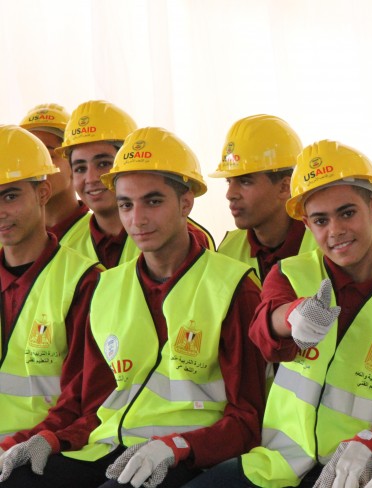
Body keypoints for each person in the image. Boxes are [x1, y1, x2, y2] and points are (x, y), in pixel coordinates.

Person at [0, 127, 266, 488]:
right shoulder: (108, 287)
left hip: (190, 453)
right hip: (107, 446)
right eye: (126, 204)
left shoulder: (233, 287)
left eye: (153, 201)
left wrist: (179, 446)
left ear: (186, 202)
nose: (137, 219)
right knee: (16, 480)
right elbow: (89, 405)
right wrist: (51, 439)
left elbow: (248, 418)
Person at [187, 139, 372, 488]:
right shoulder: (290, 274)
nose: (335, 231)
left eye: (347, 213)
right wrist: (294, 317)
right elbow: (266, 330)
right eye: (321, 220)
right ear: (307, 226)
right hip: (274, 466)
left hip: (361, 468)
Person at [0, 125, 101, 455]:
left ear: (43, 193)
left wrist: (15, 444)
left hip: (41, 451)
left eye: (10, 195)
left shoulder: (84, 281)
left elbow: (82, 403)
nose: (0, 211)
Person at [58, 101, 214, 268]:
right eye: (80, 168)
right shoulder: (64, 245)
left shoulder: (182, 238)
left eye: (103, 164)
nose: (91, 178)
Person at [211, 114, 317, 281]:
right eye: (228, 181)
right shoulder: (227, 251)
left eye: (245, 181)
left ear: (284, 187)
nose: (230, 194)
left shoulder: (326, 244)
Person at [19, 104, 90, 240]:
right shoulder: (8, 239)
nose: (37, 165)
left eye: (48, 155)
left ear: (75, 162)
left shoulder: (101, 236)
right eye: (27, 156)